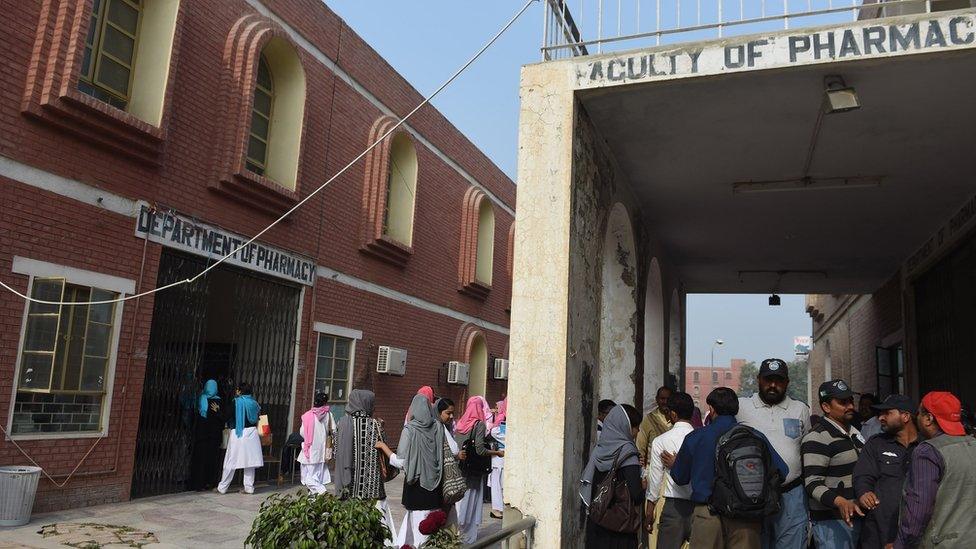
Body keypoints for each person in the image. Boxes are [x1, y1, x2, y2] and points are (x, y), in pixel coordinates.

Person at [671, 387, 788, 549]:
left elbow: (680, 477)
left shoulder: (696, 437)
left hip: (708, 516)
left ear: (711, 409)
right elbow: (782, 471)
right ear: (736, 409)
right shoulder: (754, 436)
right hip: (746, 518)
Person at [735, 358, 811, 549]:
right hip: (751, 497)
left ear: (787, 383)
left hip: (791, 496)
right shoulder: (741, 407)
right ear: (758, 379)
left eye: (778, 381)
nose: (773, 385)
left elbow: (807, 449)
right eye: (768, 380)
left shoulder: (800, 409)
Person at [894, 391, 976, 549]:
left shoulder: (928, 451)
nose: (916, 418)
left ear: (928, 418)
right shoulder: (973, 444)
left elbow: (919, 509)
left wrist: (902, 544)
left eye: (919, 413)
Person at [801, 379, 865, 548]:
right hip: (832, 523)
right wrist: (841, 502)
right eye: (843, 402)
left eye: (850, 401)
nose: (850, 406)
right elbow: (812, 483)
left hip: (857, 517)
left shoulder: (854, 431)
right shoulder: (816, 438)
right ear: (826, 407)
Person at [376, 394, 445, 547]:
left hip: (417, 485)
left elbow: (401, 462)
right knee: (431, 525)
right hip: (436, 482)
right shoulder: (438, 427)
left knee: (419, 527)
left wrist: (384, 448)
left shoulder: (410, 430)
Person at [852, 394, 919, 549]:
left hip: (915, 531)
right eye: (880, 414)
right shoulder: (876, 444)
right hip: (879, 530)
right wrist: (864, 492)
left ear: (905, 416)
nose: (881, 417)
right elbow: (863, 475)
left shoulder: (926, 446)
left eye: (887, 413)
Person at [335, 389, 397, 543]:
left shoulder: (342, 423)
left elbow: (337, 451)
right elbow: (384, 448)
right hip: (372, 488)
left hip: (348, 486)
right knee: (373, 528)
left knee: (350, 528)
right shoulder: (376, 425)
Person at [581, 403, 645, 548]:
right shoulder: (628, 453)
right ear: (626, 427)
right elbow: (636, 495)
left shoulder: (599, 449)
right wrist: (643, 486)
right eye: (635, 427)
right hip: (619, 527)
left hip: (598, 523)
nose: (637, 431)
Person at [645, 392, 695, 549]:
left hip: (673, 507)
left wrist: (650, 509)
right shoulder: (700, 438)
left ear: (673, 414)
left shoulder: (661, 441)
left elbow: (655, 479)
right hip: (699, 507)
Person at [453, 395, 504, 544]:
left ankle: (457, 530)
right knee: (472, 501)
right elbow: (480, 450)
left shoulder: (460, 423)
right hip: (474, 471)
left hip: (461, 468)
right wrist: (496, 453)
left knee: (461, 501)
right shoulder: (479, 424)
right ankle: (467, 535)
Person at [217, 382, 263, 495]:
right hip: (252, 434)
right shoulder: (255, 403)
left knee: (231, 460)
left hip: (238, 433)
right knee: (250, 462)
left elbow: (226, 416)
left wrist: (218, 410)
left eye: (237, 390)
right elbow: (257, 418)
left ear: (239, 391)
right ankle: (249, 488)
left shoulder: (236, 402)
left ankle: (223, 487)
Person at [297, 391, 336, 495]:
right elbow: (334, 430)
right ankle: (314, 500)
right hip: (323, 451)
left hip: (309, 450)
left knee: (308, 477)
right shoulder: (329, 415)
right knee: (317, 476)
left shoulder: (307, 416)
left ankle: (322, 491)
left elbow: (302, 432)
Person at [189, 379, 224, 491]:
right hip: (213, 438)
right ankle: (209, 483)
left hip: (201, 436)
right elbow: (222, 420)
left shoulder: (200, 399)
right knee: (211, 461)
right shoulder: (218, 402)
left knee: (199, 461)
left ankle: (196, 484)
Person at [637, 387, 673, 463]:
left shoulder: (677, 419)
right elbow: (640, 446)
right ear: (657, 399)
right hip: (653, 467)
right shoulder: (648, 419)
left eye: (668, 399)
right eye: (662, 399)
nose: (665, 402)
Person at [489, 398, 507, 519]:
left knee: (498, 485)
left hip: (500, 457)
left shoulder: (500, 422)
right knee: (498, 484)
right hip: (499, 457)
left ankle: (498, 508)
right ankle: (498, 508)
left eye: (497, 407)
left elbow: (495, 433)